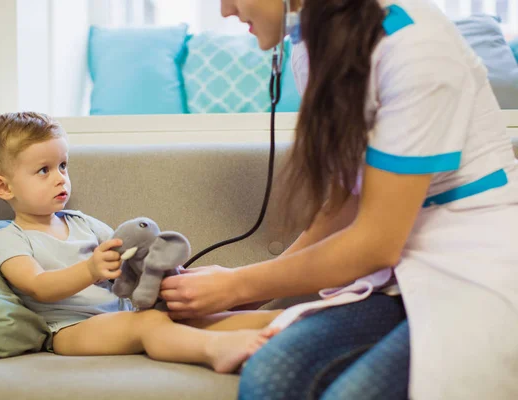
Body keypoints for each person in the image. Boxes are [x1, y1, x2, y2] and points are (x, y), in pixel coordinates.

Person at [160, 0, 518, 399]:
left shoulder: (415, 47)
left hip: (475, 271)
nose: (225, 10)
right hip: (400, 276)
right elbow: (344, 204)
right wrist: (255, 289)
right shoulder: (311, 48)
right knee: (270, 377)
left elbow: (375, 244)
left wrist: (236, 286)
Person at [0, 111, 281, 373]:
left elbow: (128, 253)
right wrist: (90, 270)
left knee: (184, 314)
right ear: (3, 187)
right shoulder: (10, 239)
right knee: (147, 325)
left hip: (125, 310)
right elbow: (39, 286)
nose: (60, 178)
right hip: (68, 329)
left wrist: (157, 267)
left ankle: (281, 324)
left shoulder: (82, 222)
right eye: (43, 170)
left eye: (63, 165)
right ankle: (215, 350)